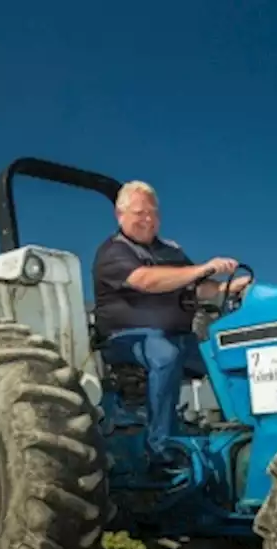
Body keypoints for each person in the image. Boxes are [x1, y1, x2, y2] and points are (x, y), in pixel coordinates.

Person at [92, 180, 251, 472]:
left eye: (154, 213)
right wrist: (203, 268)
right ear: (120, 214)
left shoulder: (170, 251)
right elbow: (147, 281)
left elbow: (197, 287)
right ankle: (161, 447)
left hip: (178, 335)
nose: (149, 219)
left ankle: (243, 429)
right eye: (140, 213)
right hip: (124, 339)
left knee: (223, 353)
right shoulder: (113, 253)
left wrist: (233, 286)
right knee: (164, 354)